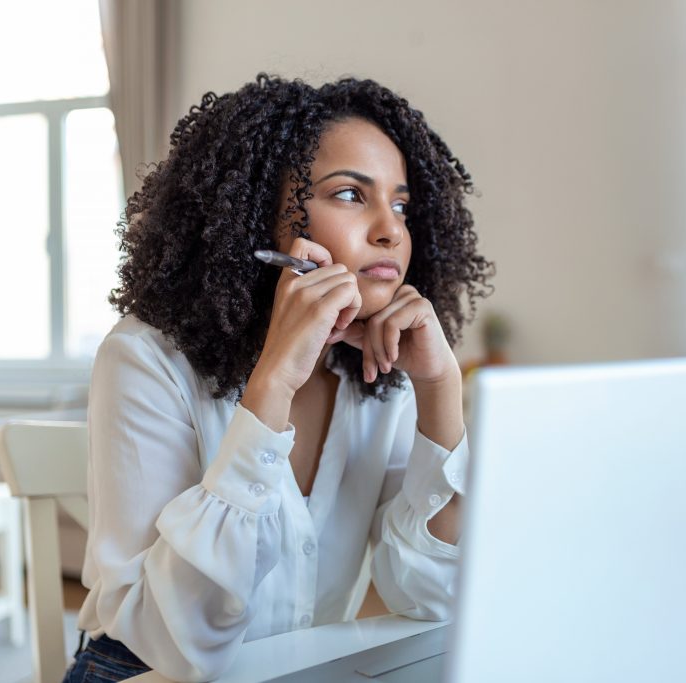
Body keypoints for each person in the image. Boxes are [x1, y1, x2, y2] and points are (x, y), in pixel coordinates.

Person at [63, 74, 493, 683]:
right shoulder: (144, 356)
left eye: (400, 205)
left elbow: (433, 598)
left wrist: (439, 391)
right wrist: (272, 385)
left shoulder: (383, 372)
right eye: (349, 194)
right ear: (257, 215)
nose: (390, 230)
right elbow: (173, 641)